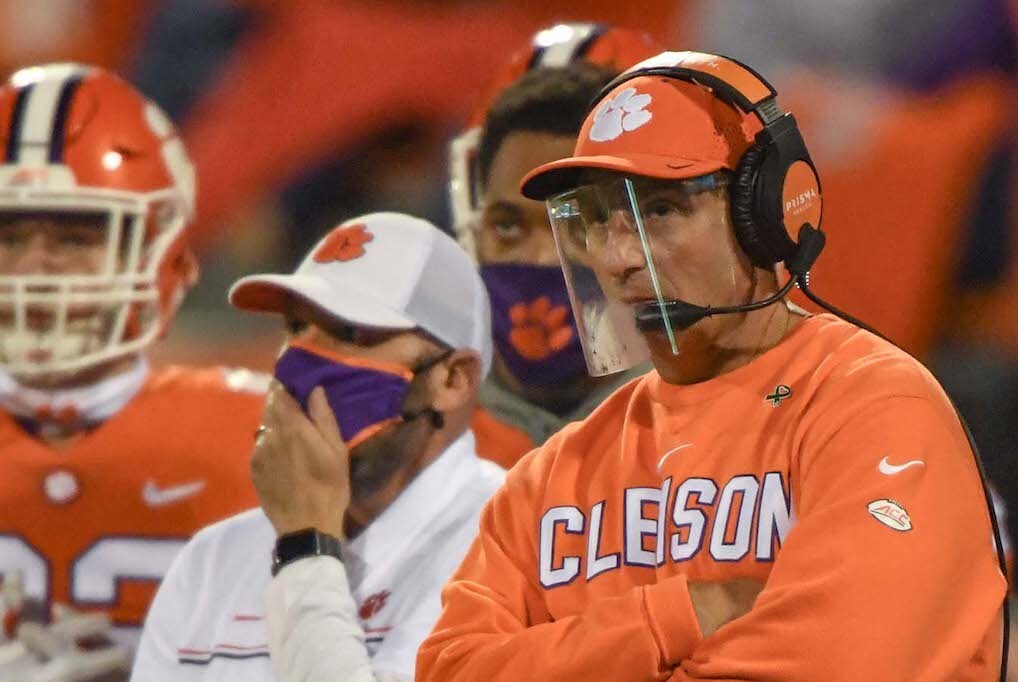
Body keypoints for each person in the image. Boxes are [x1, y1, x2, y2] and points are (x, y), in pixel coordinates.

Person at [418, 51, 1006, 681]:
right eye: (596, 219)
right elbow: (450, 671)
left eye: (660, 211)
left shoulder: (873, 408)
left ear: (766, 213)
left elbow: (836, 666)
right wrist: (677, 616)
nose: (618, 258)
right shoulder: (555, 474)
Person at [131, 213, 504, 681]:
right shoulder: (210, 563)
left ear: (452, 379)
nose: (299, 359)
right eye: (295, 326)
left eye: (349, 333)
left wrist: (305, 546)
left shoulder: (509, 543)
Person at [0, 63, 265, 677]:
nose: (36, 267)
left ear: (161, 257)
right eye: (9, 238)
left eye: (74, 239)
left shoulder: (264, 433)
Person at [449, 23, 659, 469]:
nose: (543, 259)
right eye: (508, 226)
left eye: (580, 223)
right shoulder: (407, 437)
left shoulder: (730, 434)